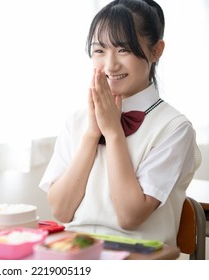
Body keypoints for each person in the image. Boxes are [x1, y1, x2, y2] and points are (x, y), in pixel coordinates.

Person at [39, 0, 201, 246]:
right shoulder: (77, 121)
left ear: (156, 51)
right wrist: (92, 134)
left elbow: (129, 216)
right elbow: (61, 211)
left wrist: (113, 133)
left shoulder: (174, 128)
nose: (110, 65)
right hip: (76, 252)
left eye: (124, 50)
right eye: (99, 51)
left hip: (139, 259)